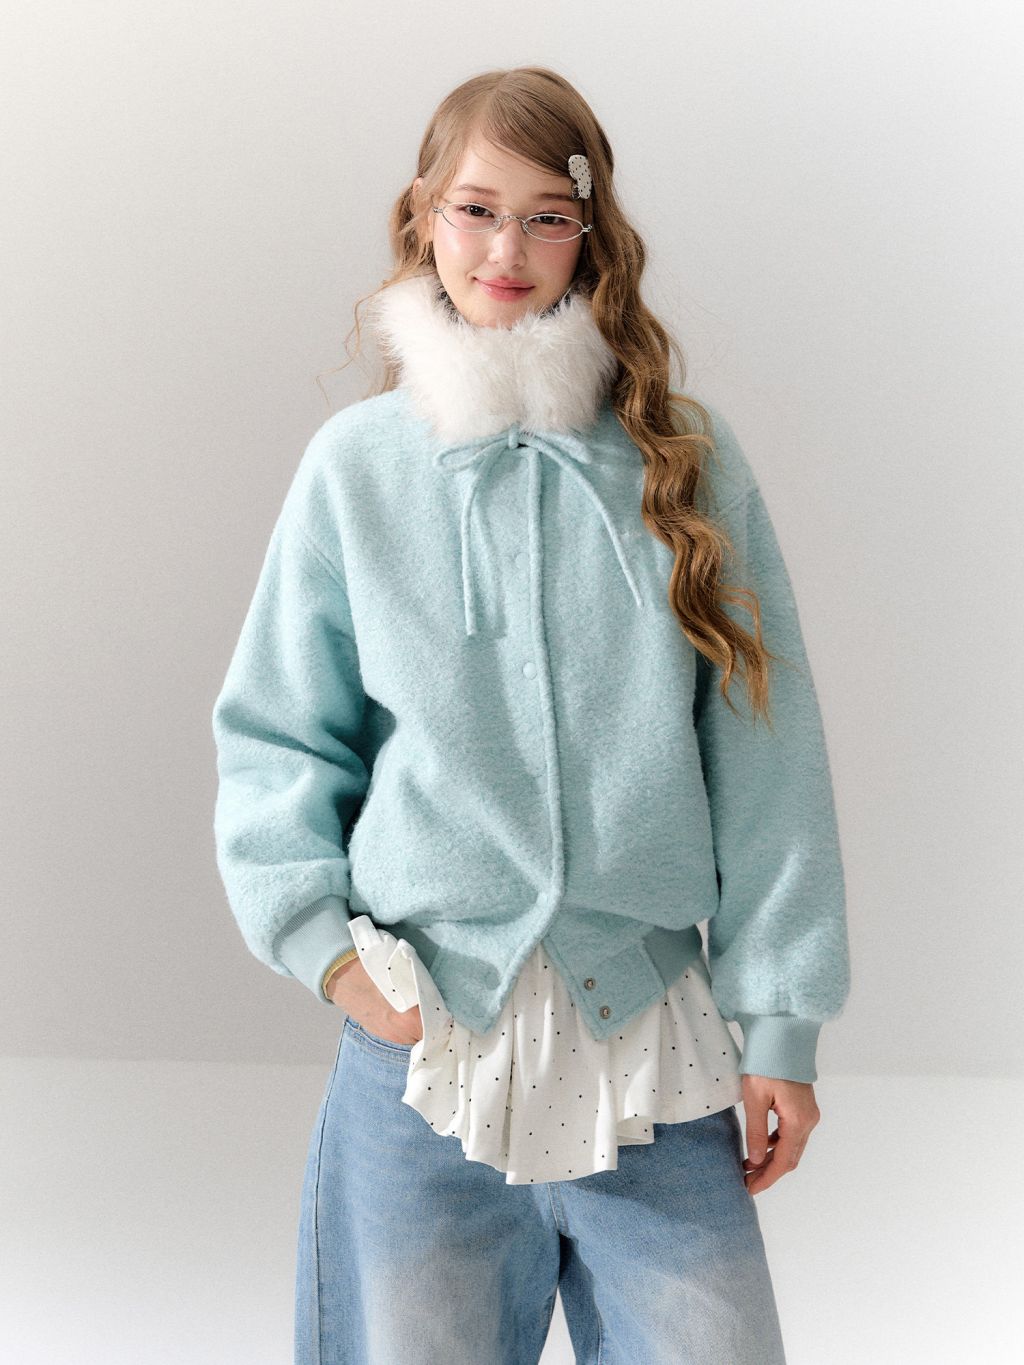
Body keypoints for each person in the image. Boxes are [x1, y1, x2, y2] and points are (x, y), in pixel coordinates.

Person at [211, 65, 851, 1365]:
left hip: (651, 1046)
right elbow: (279, 735)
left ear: (591, 234)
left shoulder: (686, 461)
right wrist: (334, 959)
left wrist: (781, 1023)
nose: (506, 251)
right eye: (476, 210)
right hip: (425, 1051)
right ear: (422, 215)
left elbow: (767, 755)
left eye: (547, 217)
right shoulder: (358, 470)